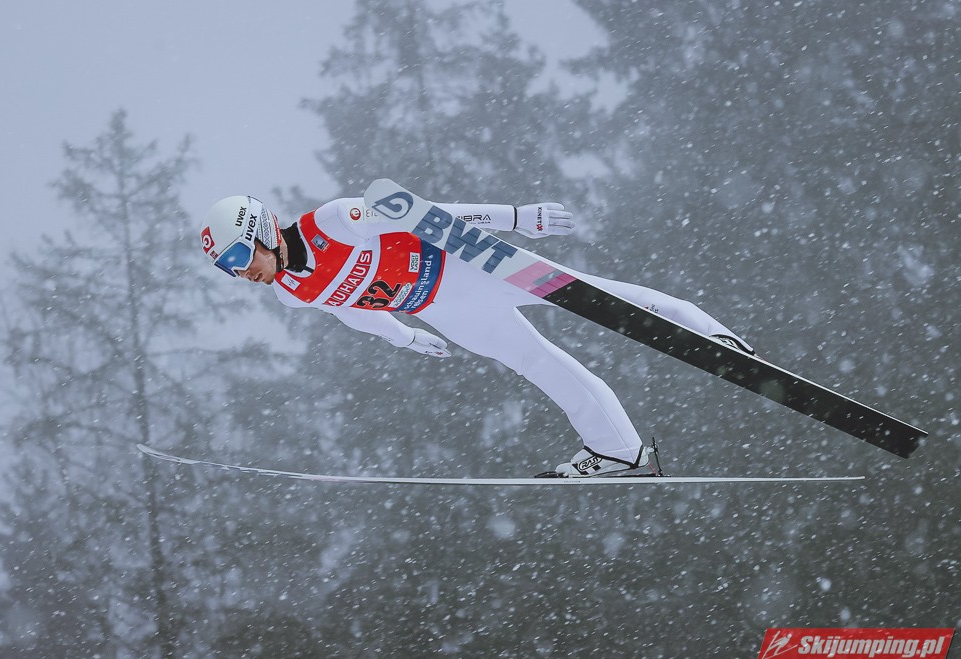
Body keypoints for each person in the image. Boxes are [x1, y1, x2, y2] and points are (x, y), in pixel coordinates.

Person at [200, 192, 754, 477]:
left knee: (593, 296)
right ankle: (621, 452)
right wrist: (402, 337)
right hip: (443, 310)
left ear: (261, 230)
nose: (241, 272)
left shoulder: (335, 220)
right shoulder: (290, 291)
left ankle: (705, 331)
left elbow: (429, 215)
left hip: (466, 267)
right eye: (228, 268)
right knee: (538, 363)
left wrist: (515, 218)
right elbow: (348, 309)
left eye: (239, 256)